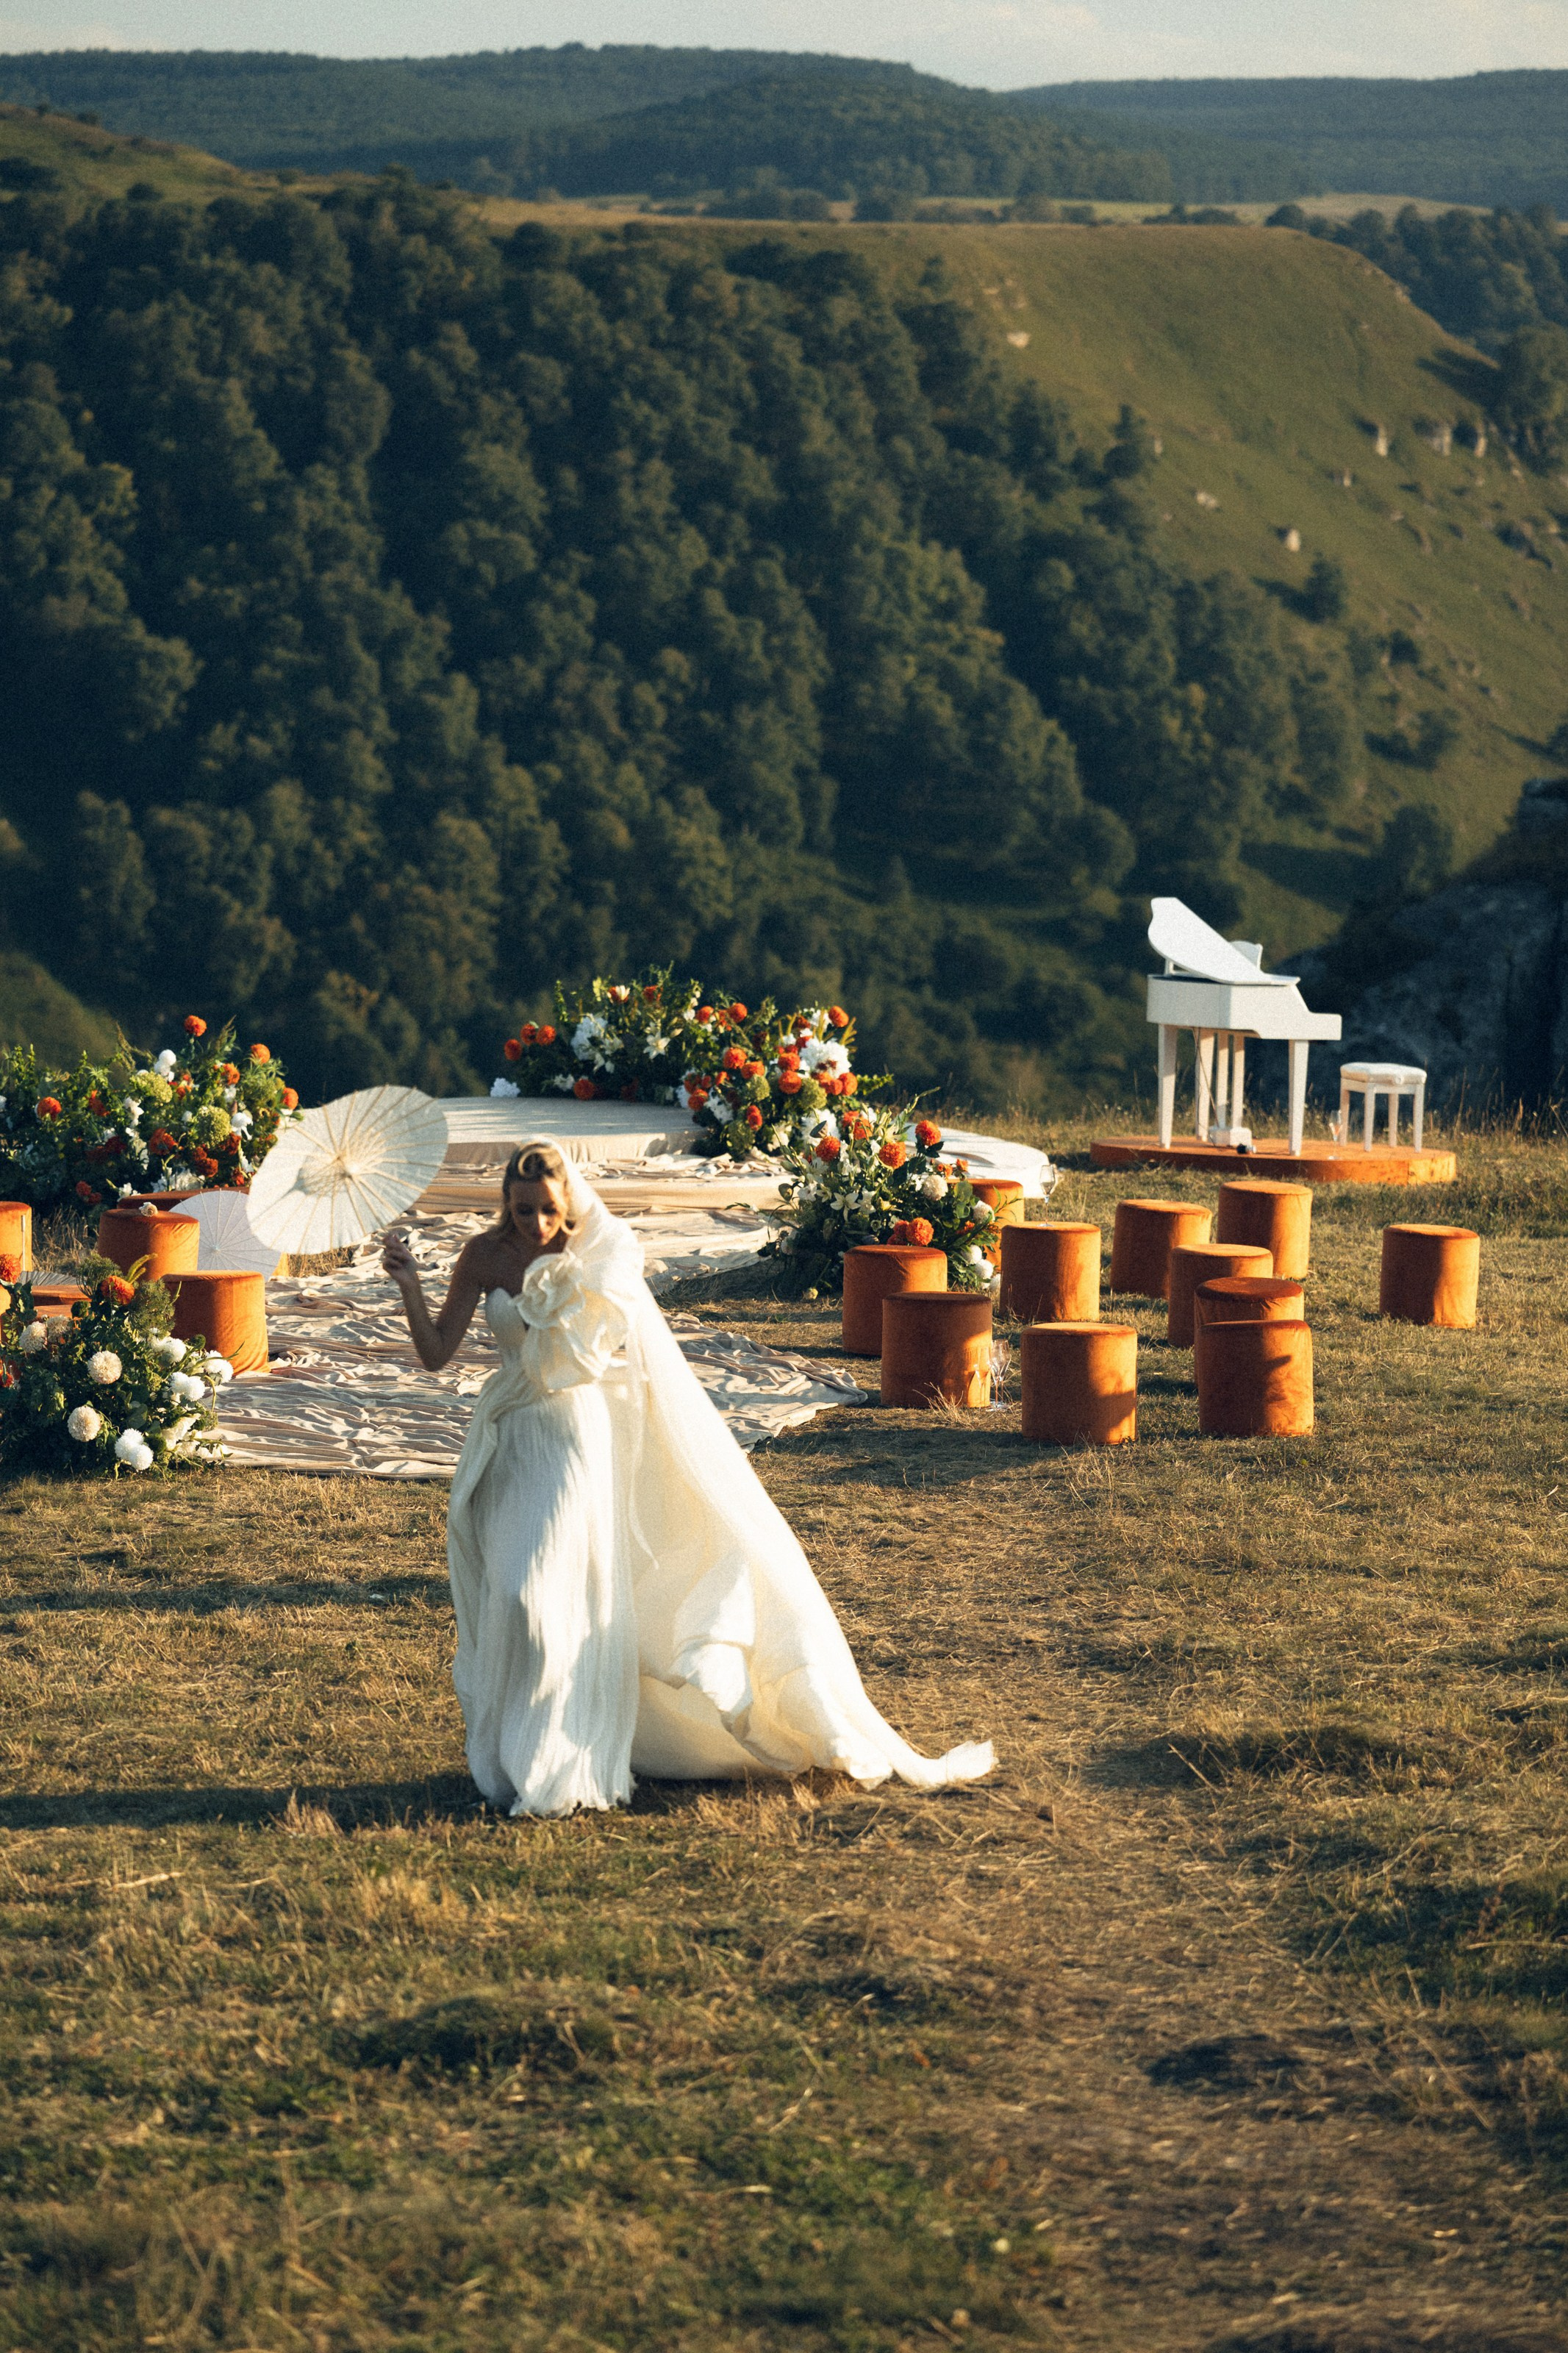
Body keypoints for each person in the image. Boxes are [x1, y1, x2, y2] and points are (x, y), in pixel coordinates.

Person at [382, 1138, 995, 1816]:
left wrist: (571, 1327)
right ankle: (515, 1760)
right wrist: (411, 1286)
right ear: (507, 1204)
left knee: (543, 1594)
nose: (535, 1224)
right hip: (509, 1438)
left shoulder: (597, 1255)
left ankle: (562, 1763)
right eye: (522, 1210)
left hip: (571, 1435)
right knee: (509, 1594)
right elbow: (437, 1354)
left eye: (547, 1210)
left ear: (568, 1201)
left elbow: (614, 1349)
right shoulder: (482, 1256)